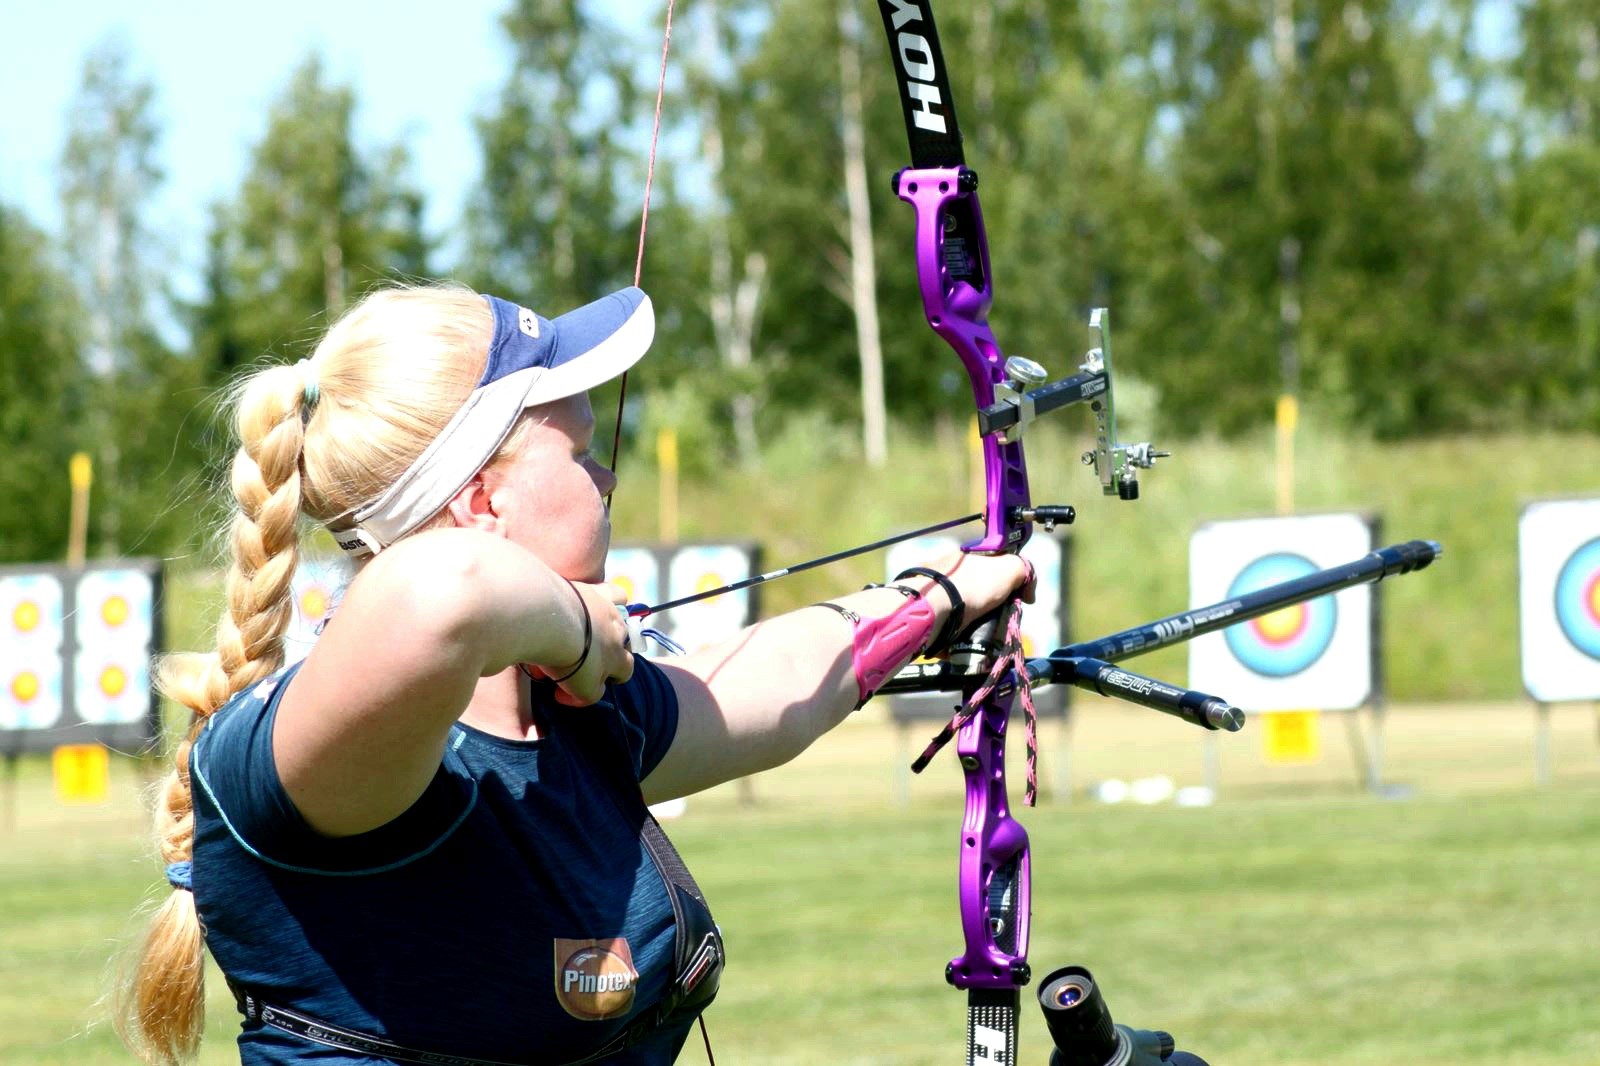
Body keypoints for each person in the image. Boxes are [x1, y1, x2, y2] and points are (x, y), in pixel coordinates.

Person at [116, 282, 1032, 1065]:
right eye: (581, 448)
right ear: (482, 500)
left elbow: (771, 690)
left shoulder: (576, 720)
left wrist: (934, 598)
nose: (606, 476)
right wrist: (575, 631)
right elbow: (440, 593)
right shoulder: (296, 756)